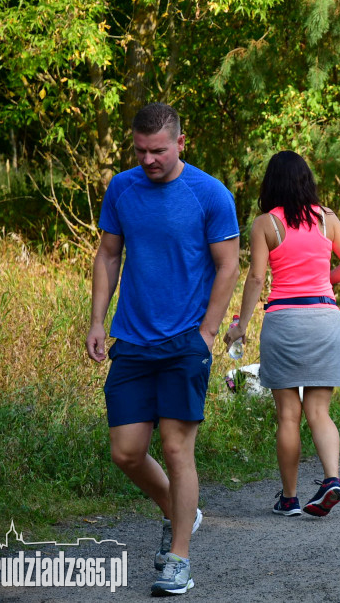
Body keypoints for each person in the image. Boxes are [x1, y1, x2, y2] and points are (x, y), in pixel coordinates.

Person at [85, 102, 240, 596]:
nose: (149, 159)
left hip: (184, 342)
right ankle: (183, 512)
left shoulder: (209, 194)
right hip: (131, 339)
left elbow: (229, 266)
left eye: (158, 150)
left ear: (179, 143)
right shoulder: (122, 189)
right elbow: (108, 254)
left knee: (176, 449)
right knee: (127, 453)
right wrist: (96, 321)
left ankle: (178, 559)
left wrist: (208, 334)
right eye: (140, 150)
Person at [224, 151, 340, 518]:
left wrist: (240, 326)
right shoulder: (327, 219)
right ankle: (331, 479)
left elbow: (256, 278)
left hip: (284, 320)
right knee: (320, 411)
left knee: (288, 415)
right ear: (306, 181)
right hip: (325, 318)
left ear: (271, 184)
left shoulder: (265, 223)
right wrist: (320, 284)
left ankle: (289, 498)